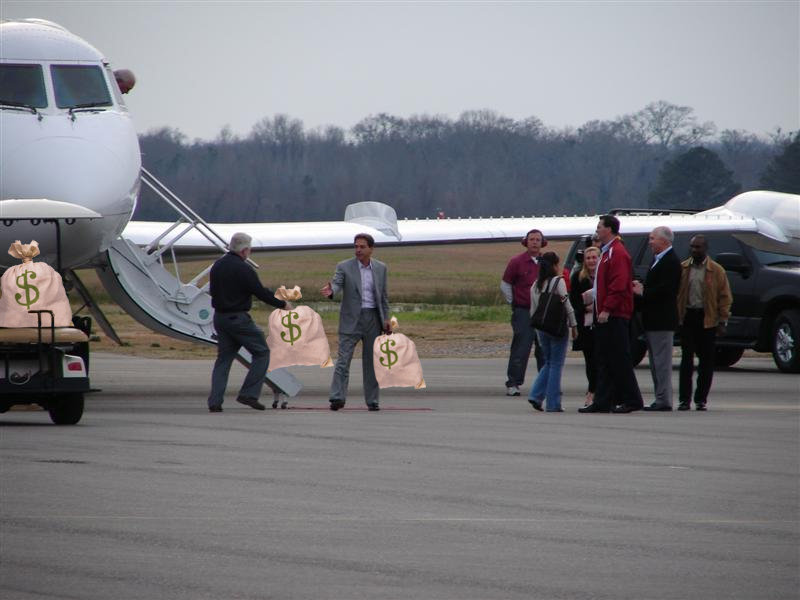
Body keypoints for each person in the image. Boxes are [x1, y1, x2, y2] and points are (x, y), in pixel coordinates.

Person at [207, 232, 291, 412]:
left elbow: (213, 291)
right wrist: (282, 304)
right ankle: (249, 394)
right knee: (262, 353)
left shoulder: (217, 266)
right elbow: (260, 292)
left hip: (220, 318)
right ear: (244, 250)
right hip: (238, 318)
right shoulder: (244, 269)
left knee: (223, 360)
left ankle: (215, 402)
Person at [579, 214, 643, 414]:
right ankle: (602, 401)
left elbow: (619, 284)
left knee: (620, 358)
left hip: (615, 315)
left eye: (600, 226)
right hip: (604, 315)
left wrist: (607, 308)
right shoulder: (606, 253)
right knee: (604, 358)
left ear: (609, 229)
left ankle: (632, 399)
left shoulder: (617, 253)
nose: (597, 229)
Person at [321, 233, 391, 412]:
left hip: (372, 319)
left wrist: (386, 319)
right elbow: (337, 284)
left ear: (371, 249)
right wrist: (331, 292)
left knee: (371, 363)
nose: (358, 250)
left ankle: (373, 400)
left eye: (362, 247)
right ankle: (337, 398)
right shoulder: (344, 267)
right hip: (351, 320)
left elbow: (383, 297)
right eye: (356, 246)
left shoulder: (381, 268)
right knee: (343, 361)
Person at [676, 235, 732, 411]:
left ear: (706, 248)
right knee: (686, 360)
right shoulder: (683, 268)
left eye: (698, 247)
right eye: (692, 247)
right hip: (688, 318)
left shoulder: (716, 270)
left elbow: (725, 297)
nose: (694, 250)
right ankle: (684, 399)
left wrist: (722, 321)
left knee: (706, 361)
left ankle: (701, 399)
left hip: (707, 319)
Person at [633, 226, 682, 411]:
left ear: (664, 241)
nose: (650, 241)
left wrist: (643, 291)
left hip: (662, 321)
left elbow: (667, 291)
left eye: (653, 238)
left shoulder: (670, 262)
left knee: (661, 363)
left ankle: (664, 400)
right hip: (653, 320)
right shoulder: (658, 260)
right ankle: (660, 397)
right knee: (655, 362)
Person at [527, 252, 578, 412]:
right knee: (556, 364)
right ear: (555, 265)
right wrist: (574, 325)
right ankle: (553, 403)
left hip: (542, 328)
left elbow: (533, 310)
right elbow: (566, 303)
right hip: (557, 328)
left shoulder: (535, 285)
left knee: (548, 362)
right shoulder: (558, 282)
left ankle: (536, 395)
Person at [501, 229, 545, 396]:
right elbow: (505, 285)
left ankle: (545, 383)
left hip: (542, 313)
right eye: (532, 239)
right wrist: (515, 302)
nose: (534, 242)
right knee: (521, 348)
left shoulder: (546, 262)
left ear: (542, 243)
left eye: (538, 240)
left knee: (543, 349)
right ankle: (513, 383)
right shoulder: (516, 262)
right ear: (526, 242)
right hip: (523, 311)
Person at [569, 245, 600, 407]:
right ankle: (591, 391)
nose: (591, 261)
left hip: (602, 324)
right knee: (591, 360)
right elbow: (574, 302)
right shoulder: (578, 278)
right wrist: (586, 307)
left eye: (594, 257)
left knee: (601, 359)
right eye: (588, 258)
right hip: (586, 325)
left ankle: (599, 391)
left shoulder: (604, 276)